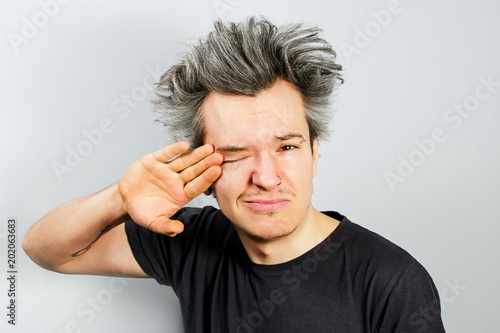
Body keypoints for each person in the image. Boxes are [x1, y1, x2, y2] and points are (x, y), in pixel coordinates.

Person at [23, 17, 445, 332]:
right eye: (236, 154)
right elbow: (44, 249)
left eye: (287, 147)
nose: (265, 176)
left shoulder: (391, 282)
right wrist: (117, 197)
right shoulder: (188, 241)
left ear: (314, 153)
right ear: (203, 169)